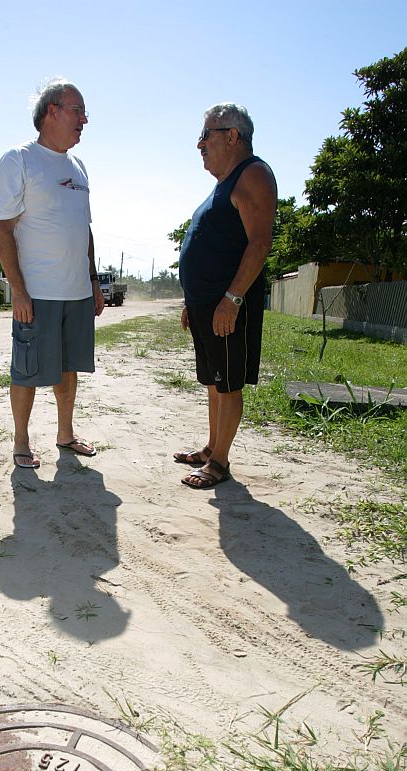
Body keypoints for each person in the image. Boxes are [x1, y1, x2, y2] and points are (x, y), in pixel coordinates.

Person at [0, 78, 105, 469]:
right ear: (52, 111)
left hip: (76, 291)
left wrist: (93, 281)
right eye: (78, 110)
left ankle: (65, 433)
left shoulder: (79, 167)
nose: (84, 120)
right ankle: (21, 441)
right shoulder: (19, 159)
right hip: (37, 292)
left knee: (68, 366)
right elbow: (4, 230)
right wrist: (18, 292)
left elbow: (85, 229)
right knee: (26, 370)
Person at [175, 103, 277, 489]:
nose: (200, 145)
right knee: (215, 381)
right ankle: (211, 448)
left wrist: (232, 299)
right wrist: (191, 301)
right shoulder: (225, 183)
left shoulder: (253, 174)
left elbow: (259, 243)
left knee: (228, 383)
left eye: (206, 135)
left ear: (233, 136)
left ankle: (219, 462)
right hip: (207, 304)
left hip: (227, 305)